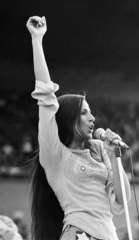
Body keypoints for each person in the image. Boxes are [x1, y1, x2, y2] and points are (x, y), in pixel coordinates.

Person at [26, 16, 131, 240]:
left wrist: (113, 156)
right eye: (84, 113)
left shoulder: (99, 149)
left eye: (91, 112)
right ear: (67, 119)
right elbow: (46, 97)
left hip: (109, 235)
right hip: (79, 234)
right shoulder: (55, 155)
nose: (92, 118)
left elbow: (123, 201)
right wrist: (37, 39)